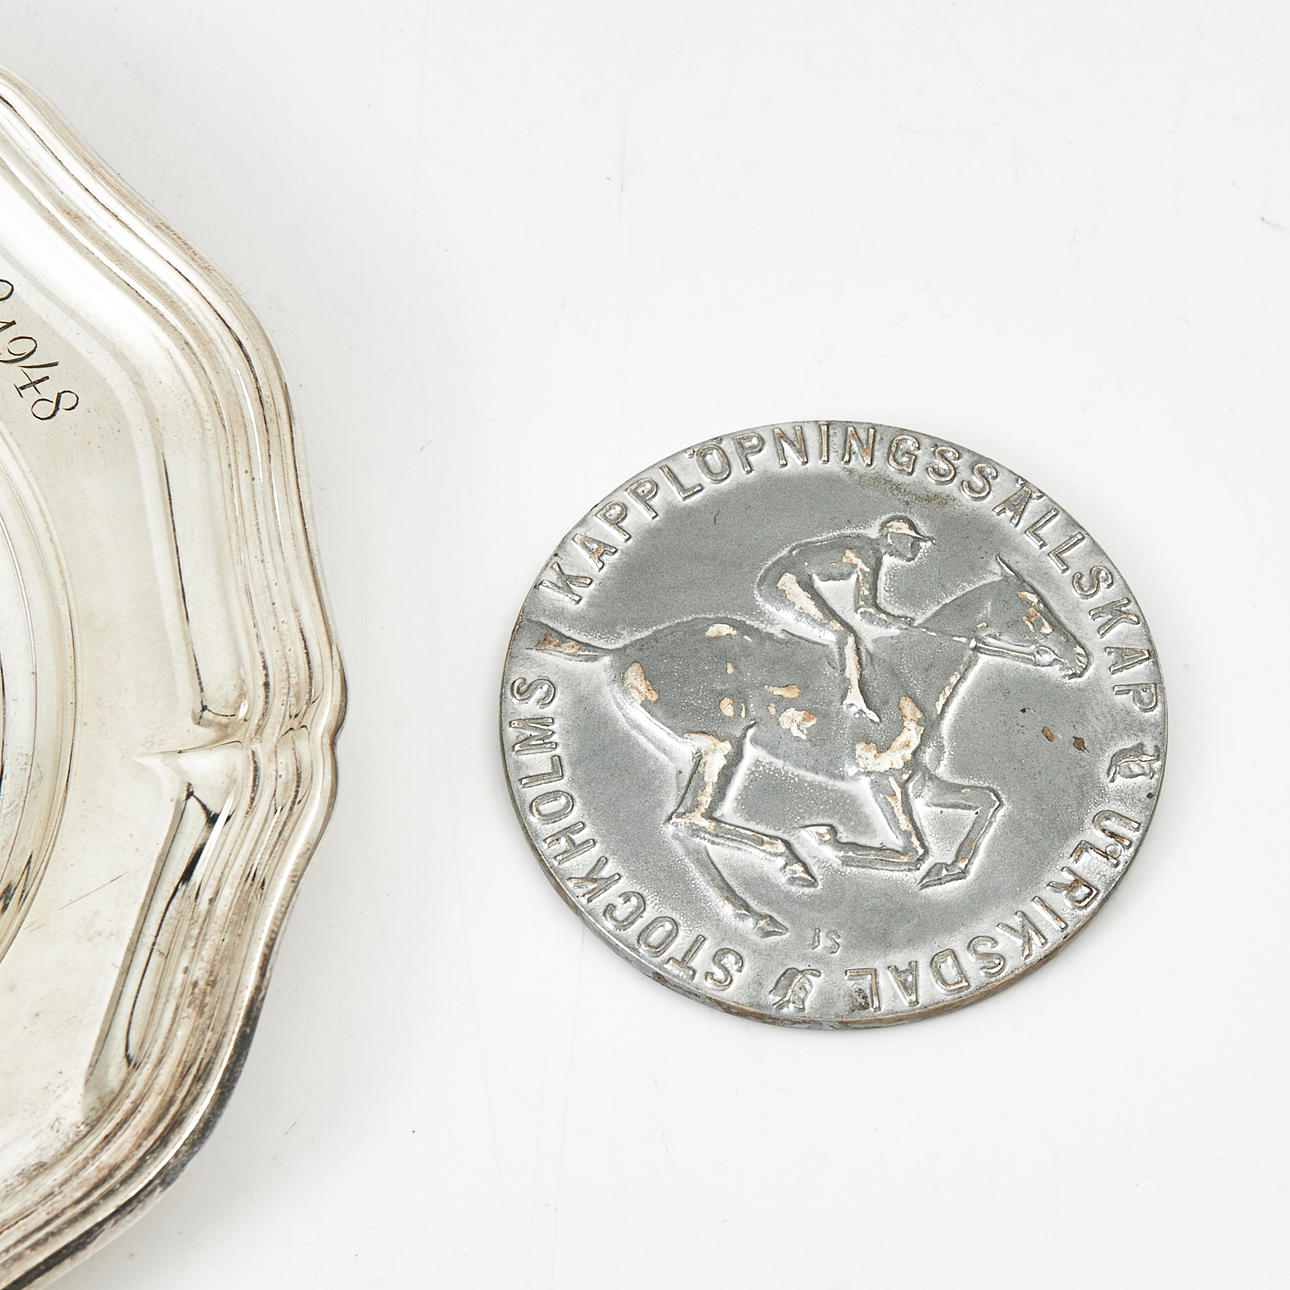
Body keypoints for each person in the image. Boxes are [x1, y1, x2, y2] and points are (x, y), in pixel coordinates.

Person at [754, 515, 933, 722]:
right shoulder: (868, 555)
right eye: (912, 541)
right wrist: (897, 623)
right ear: (894, 538)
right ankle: (853, 696)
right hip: (783, 582)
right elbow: (864, 611)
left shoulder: (862, 544)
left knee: (840, 633)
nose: (916, 548)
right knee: (844, 636)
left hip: (783, 576)